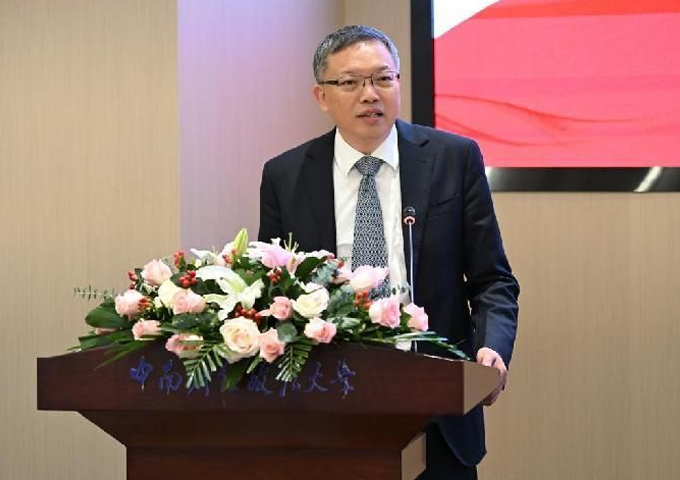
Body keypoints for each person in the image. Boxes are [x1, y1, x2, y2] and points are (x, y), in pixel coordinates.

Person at [258, 25, 519, 480]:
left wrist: (491, 348)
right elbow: (274, 292)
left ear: (399, 83)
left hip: (437, 408)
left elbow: (492, 280)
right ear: (322, 96)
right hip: (327, 408)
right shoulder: (285, 175)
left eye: (383, 79)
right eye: (350, 82)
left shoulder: (453, 159)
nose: (369, 94)